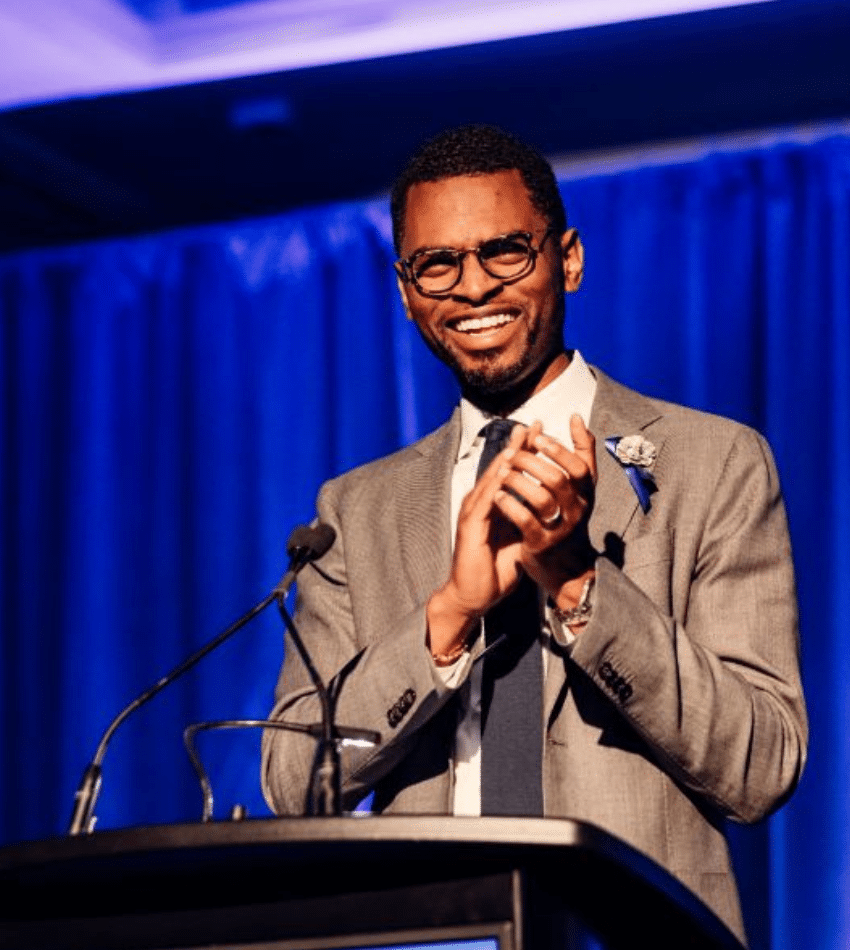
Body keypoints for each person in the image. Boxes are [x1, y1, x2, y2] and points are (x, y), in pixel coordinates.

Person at [262, 125, 807, 944]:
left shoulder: (713, 463)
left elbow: (762, 764)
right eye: (437, 264)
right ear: (407, 291)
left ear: (569, 259)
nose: (473, 287)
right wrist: (445, 618)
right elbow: (292, 783)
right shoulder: (355, 510)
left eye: (505, 252)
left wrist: (580, 583)